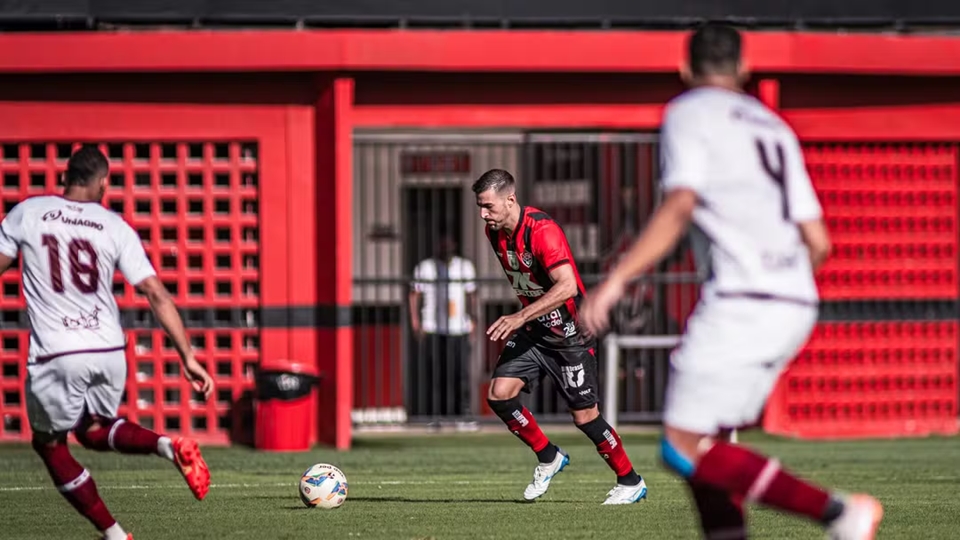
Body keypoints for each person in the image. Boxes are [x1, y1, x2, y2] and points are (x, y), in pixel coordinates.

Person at [580, 23, 882, 540]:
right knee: (709, 443)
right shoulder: (773, 126)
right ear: (743, 70)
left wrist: (615, 282)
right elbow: (820, 242)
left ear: (685, 70)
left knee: (681, 444)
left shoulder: (689, 112)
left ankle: (838, 514)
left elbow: (679, 204)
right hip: (792, 301)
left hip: (743, 300)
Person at [0, 146, 215, 540]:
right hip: (108, 349)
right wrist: (188, 356)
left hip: (56, 352)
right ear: (102, 182)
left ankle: (115, 535)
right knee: (93, 429)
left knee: (49, 444)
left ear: (67, 176)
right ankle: (169, 446)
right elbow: (156, 293)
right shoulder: (114, 225)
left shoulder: (28, 213)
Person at [473, 168, 647, 505]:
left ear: (511, 199)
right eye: (480, 207)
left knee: (584, 416)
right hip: (535, 329)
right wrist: (526, 319)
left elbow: (566, 285)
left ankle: (631, 480)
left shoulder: (542, 231)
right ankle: (548, 456)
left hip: (569, 335)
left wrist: (519, 315)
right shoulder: (493, 231)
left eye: (489, 207)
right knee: (499, 394)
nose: (484, 214)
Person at [408, 234, 478, 428]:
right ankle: (435, 416)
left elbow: (472, 295)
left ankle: (463, 415)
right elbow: (414, 294)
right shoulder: (425, 267)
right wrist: (416, 322)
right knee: (435, 374)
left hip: (459, 328)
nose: (446, 245)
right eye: (443, 241)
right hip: (432, 328)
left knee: (461, 373)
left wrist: (474, 319)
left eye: (449, 241)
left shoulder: (465, 266)